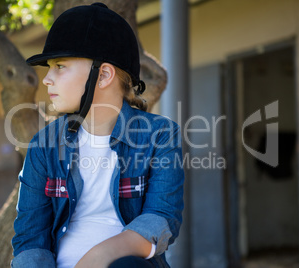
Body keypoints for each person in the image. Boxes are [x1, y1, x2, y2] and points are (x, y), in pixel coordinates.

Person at [11, 3, 184, 268]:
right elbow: (30, 239)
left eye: (59, 66)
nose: (47, 79)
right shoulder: (42, 146)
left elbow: (162, 219)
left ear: (103, 75)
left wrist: (98, 257)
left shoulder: (160, 135)